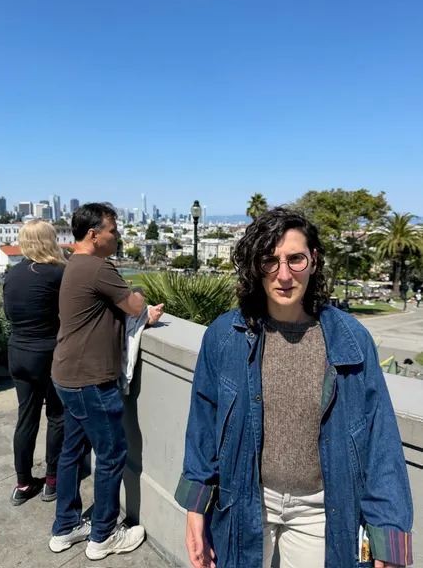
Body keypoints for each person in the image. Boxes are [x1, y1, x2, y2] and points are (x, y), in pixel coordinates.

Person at [175, 207, 413, 568]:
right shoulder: (225, 337)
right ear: (256, 266)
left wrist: (388, 537)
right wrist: (196, 508)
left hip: (320, 511)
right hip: (244, 500)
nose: (283, 275)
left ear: (313, 260)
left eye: (295, 259)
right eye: (270, 261)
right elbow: (203, 427)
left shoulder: (350, 340)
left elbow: (380, 440)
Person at [49, 203, 164, 561]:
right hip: (91, 380)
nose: (118, 236)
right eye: (113, 230)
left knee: (72, 451)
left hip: (66, 374)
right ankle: (103, 535)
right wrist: (139, 295)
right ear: (94, 234)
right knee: (112, 454)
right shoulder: (99, 267)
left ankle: (65, 526)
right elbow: (135, 306)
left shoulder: (74, 264)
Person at [3, 220, 66, 506]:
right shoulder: (58, 273)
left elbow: (9, 314)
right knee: (57, 416)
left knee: (26, 418)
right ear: (49, 240)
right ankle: (52, 481)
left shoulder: (12, 274)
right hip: (48, 353)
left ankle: (23, 482)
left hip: (18, 352)